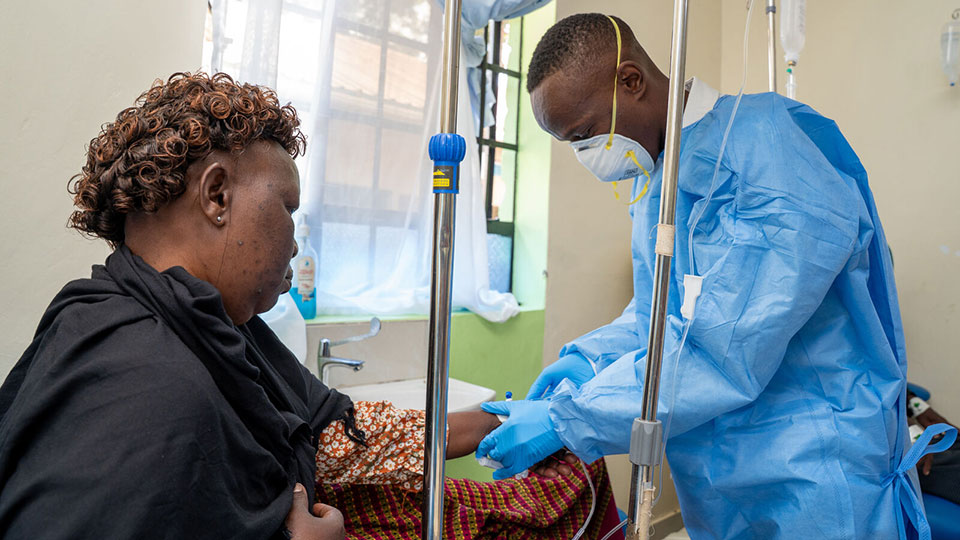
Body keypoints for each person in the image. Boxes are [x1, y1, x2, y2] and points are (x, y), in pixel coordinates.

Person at [476, 13, 958, 539]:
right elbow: (652, 319)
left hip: (813, 471)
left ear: (630, 81)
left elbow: (722, 347)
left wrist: (569, 418)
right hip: (720, 480)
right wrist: (578, 366)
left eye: (584, 134)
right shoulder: (660, 185)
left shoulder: (769, 152)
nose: (586, 154)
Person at [0, 72, 503, 540]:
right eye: (287, 208)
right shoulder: (147, 385)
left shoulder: (201, 325)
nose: (296, 245)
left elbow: (331, 436)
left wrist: (498, 420)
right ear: (217, 195)